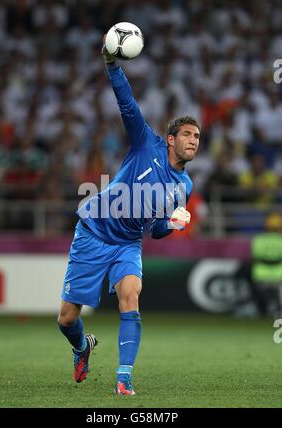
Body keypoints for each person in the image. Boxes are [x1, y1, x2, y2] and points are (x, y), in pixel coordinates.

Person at [57, 40, 200, 396]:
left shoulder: (185, 186)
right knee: (66, 319)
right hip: (93, 230)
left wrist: (172, 225)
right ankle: (82, 348)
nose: (194, 140)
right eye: (187, 134)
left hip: (126, 244)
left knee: (131, 295)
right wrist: (112, 65)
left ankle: (124, 379)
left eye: (197, 136)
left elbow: (155, 231)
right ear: (170, 139)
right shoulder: (145, 144)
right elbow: (127, 103)